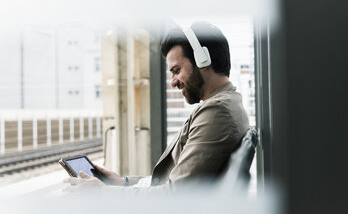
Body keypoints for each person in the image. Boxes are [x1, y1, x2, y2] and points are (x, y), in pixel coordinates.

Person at [64, 21, 250, 193]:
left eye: (177, 71)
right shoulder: (225, 104)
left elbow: (175, 195)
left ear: (203, 60)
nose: (173, 82)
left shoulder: (218, 112)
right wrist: (123, 183)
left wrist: (104, 193)